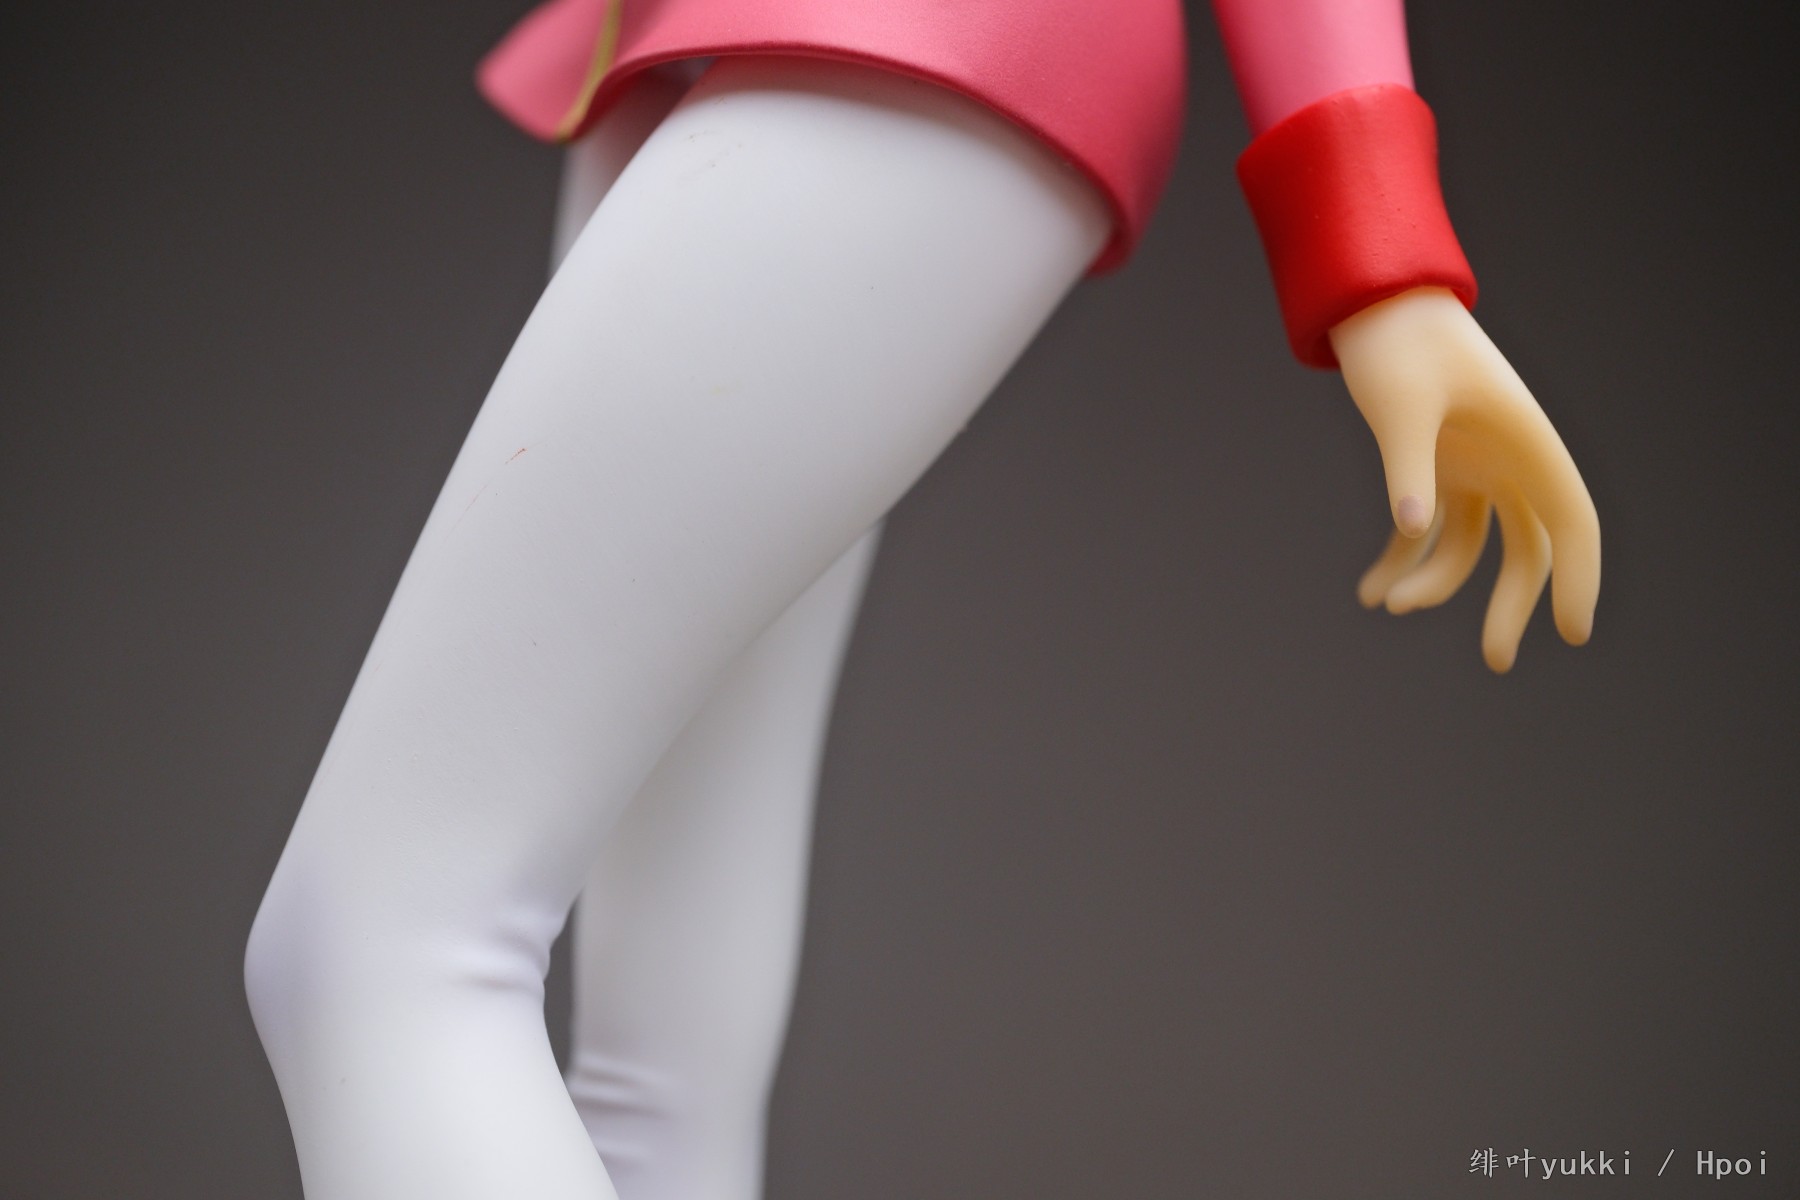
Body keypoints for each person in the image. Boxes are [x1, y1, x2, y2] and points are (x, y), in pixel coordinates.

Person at [244, 3, 1601, 1197]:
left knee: (387, 950)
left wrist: (1377, 239)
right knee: (652, 1078)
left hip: (892, 44)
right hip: (717, 59)